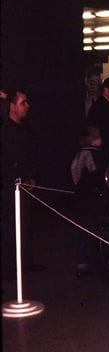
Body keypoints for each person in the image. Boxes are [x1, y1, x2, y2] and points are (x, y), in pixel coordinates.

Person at [1, 88, 44, 277]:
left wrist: (32, 177)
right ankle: (9, 267)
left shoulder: (27, 129)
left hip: (25, 185)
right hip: (8, 186)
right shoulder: (4, 130)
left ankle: (26, 261)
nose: (27, 106)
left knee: (26, 223)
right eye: (22, 103)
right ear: (12, 106)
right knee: (9, 225)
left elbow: (32, 156)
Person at [70, 126, 105, 278]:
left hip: (81, 199)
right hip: (91, 199)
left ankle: (82, 262)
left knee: (83, 231)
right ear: (95, 140)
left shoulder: (80, 153)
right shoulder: (92, 154)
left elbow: (74, 171)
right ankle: (86, 263)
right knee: (90, 230)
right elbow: (94, 174)